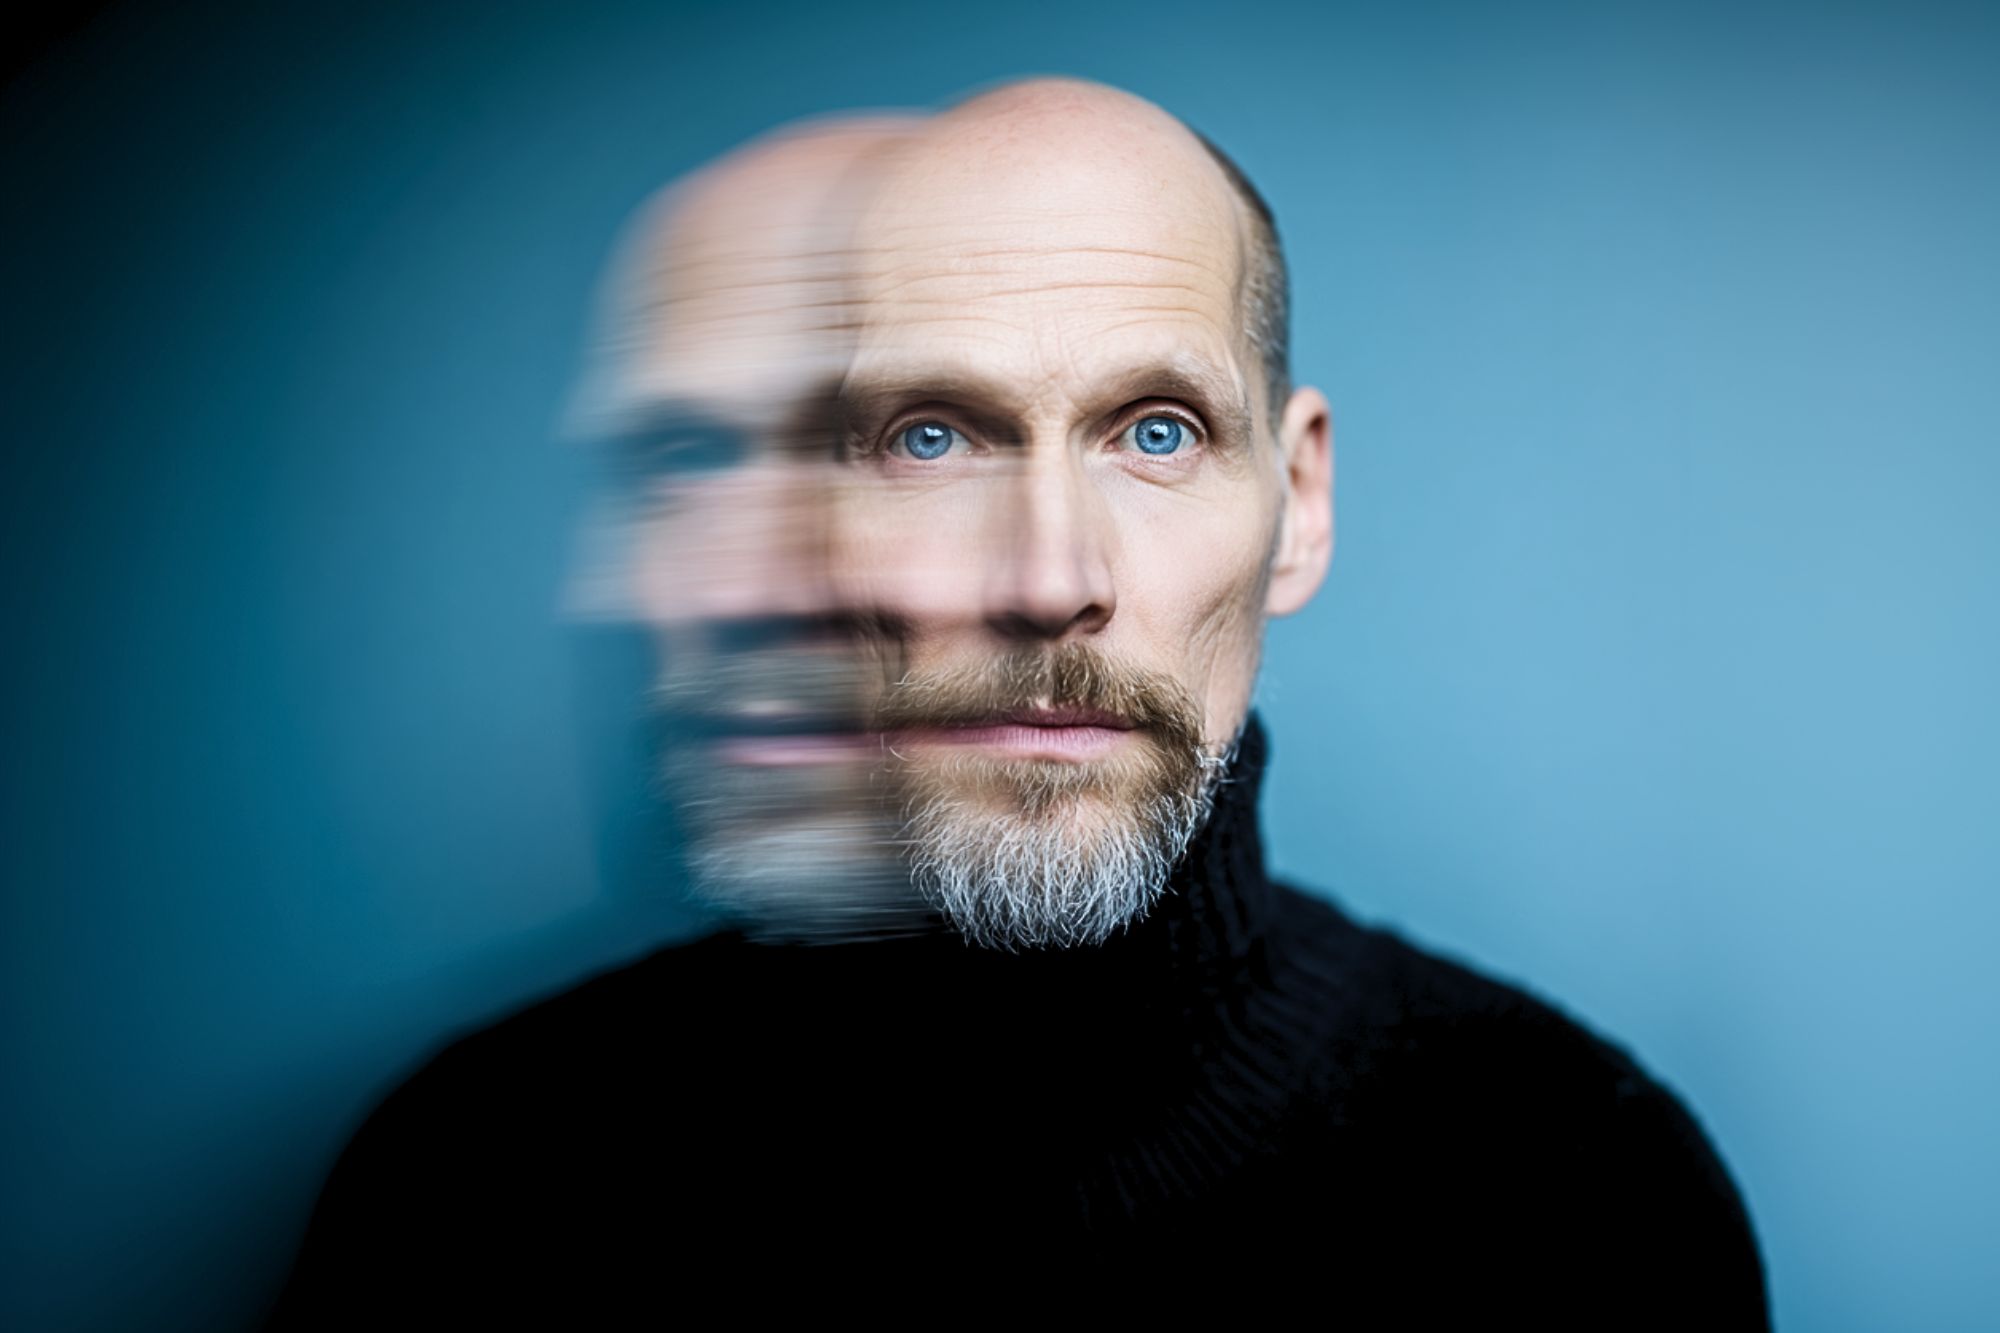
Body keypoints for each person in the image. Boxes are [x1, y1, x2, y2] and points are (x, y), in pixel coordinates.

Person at [267, 80, 1769, 1325]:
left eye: (1157, 430)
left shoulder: (1582, 1194)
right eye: (929, 438)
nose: (1050, 577)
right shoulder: (469, 1193)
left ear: (1298, 503)